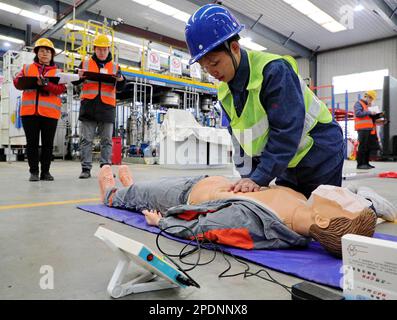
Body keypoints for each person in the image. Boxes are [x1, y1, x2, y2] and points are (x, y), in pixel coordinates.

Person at [184, 4, 345, 199]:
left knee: (326, 216)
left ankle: (370, 205)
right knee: (286, 214)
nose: (211, 71)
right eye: (204, 67)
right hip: (287, 161)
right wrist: (248, 179)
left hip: (319, 153)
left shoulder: (273, 71)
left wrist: (260, 177)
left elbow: (286, 130)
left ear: (234, 48)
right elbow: (239, 139)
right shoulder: (224, 91)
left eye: (215, 63)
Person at [97, 165, 397, 258]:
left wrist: (160, 223)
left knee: (138, 195)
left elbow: (201, 230)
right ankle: (131, 190)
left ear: (322, 218)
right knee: (147, 186)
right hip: (210, 181)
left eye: (343, 199)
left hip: (185, 195)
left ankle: (112, 194)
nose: (342, 190)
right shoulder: (306, 203)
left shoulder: (254, 224)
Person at [73, 34, 126, 179]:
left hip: (107, 108)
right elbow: (74, 80)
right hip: (89, 106)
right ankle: (86, 169)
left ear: (109, 50)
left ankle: (105, 168)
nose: (102, 52)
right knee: (86, 140)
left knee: (107, 140)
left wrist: (121, 79)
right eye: (99, 49)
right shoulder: (85, 64)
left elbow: (121, 86)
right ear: (94, 49)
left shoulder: (115, 66)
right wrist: (79, 76)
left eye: (105, 49)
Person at [13, 38, 66, 181]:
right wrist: (27, 81)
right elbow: (17, 83)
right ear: (37, 53)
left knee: (48, 145)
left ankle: (46, 172)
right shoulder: (27, 68)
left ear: (52, 55)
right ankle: (34, 172)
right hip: (29, 113)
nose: (45, 54)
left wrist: (46, 84)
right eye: (42, 51)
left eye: (48, 51)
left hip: (50, 114)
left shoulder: (58, 72)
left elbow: (61, 89)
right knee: (32, 144)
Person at [354, 90, 383, 170]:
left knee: (367, 147)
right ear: (366, 96)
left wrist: (378, 116)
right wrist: (369, 112)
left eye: (371, 99)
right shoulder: (358, 103)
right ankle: (360, 164)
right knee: (362, 146)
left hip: (369, 129)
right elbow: (358, 113)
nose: (370, 100)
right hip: (362, 128)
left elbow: (369, 117)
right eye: (370, 98)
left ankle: (366, 163)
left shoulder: (367, 106)